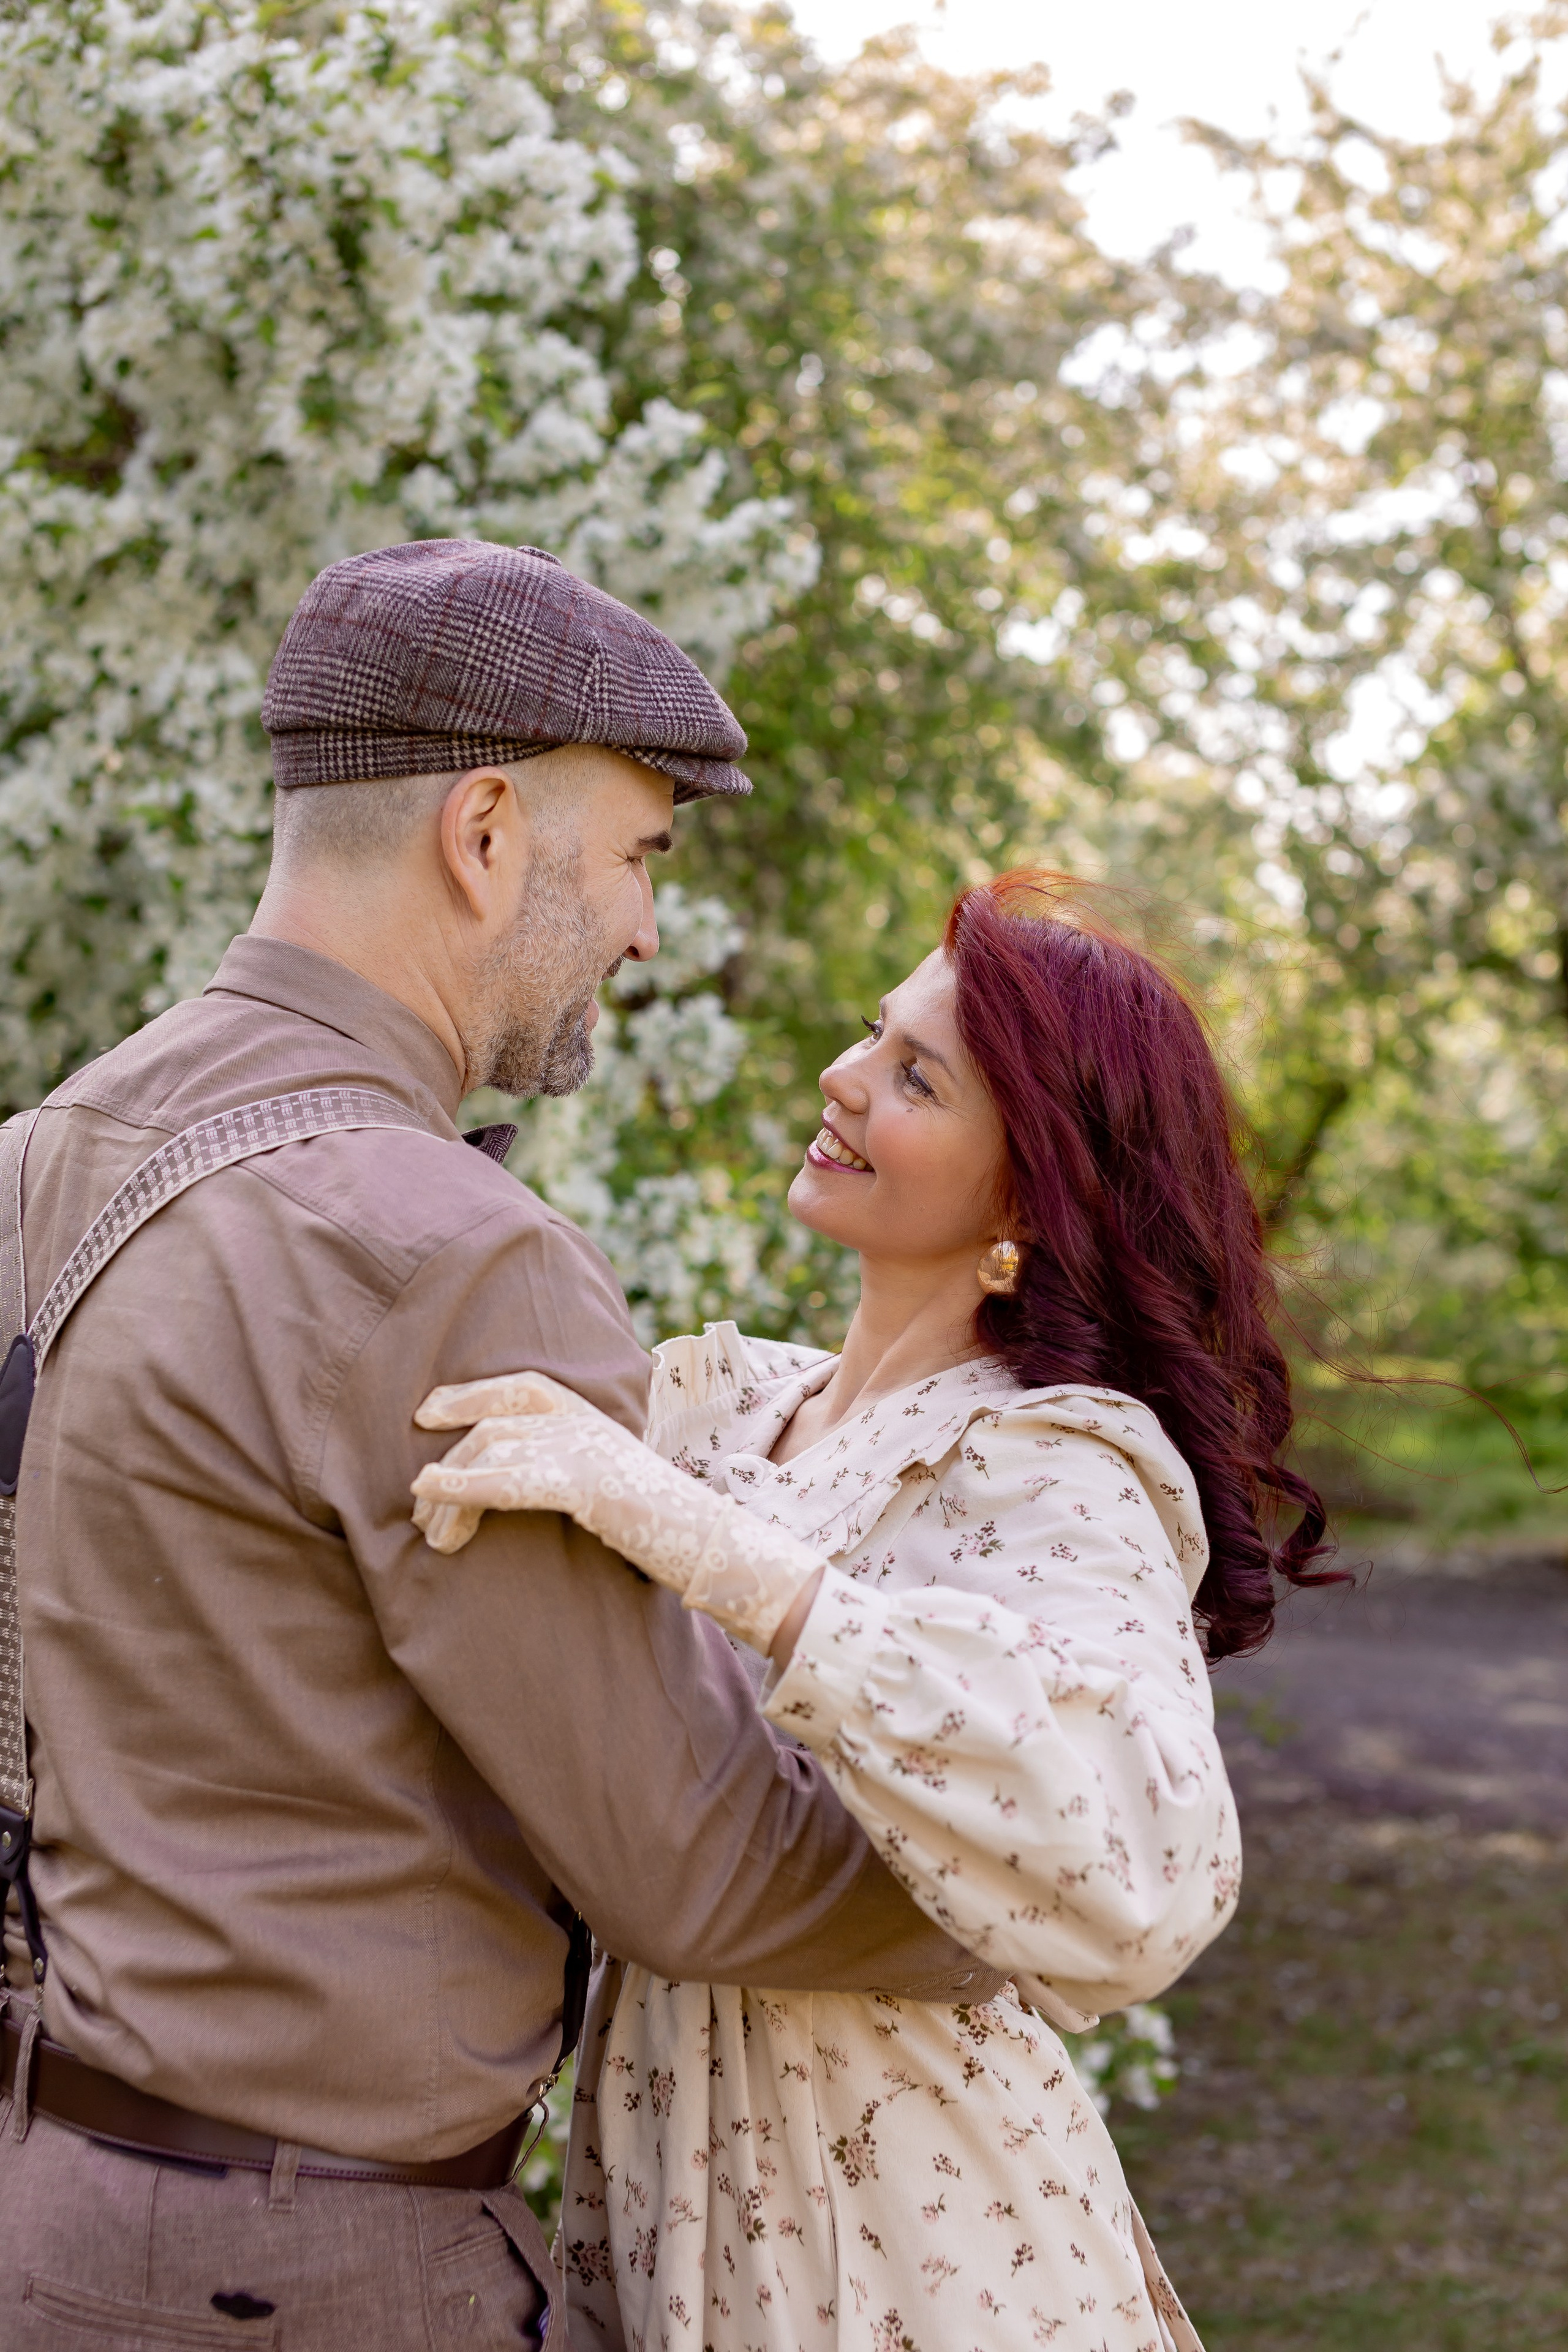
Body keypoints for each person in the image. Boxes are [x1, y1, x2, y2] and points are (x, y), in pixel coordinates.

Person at [0, 541, 997, 2352]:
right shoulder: (452, 1254)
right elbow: (692, 1859)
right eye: (634, 857)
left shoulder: (43, 1158)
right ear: (483, 837)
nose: (640, 925)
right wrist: (1027, 1893)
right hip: (321, 2279)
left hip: (48, 2211)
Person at [412, 870, 1336, 2352]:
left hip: (906, 2247)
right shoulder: (725, 1410)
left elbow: (1141, 1860)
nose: (840, 1079)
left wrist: (705, 1549)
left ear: (1029, 1188)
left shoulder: (1052, 1459)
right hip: (661, 2206)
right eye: (869, 1035)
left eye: (916, 1076)